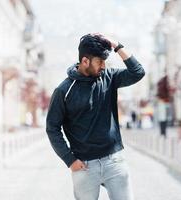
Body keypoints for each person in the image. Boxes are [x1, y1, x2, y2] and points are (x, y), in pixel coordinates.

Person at [46, 33, 145, 200]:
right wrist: (69, 160)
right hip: (84, 167)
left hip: (114, 161)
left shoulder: (109, 77)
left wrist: (116, 45)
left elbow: (138, 72)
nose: (104, 66)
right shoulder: (64, 90)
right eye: (100, 62)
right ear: (85, 61)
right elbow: (52, 128)